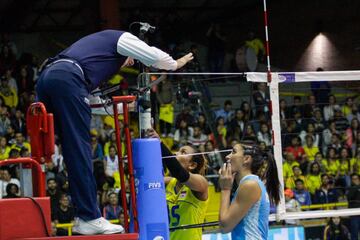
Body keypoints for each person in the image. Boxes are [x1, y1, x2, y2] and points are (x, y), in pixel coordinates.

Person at [35, 29, 193, 235]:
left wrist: (127, 107)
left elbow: (93, 103)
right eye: (132, 60)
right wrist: (175, 64)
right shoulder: (120, 38)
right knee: (79, 148)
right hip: (66, 79)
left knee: (53, 149)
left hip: (47, 79)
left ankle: (68, 212)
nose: (129, 63)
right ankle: (89, 217)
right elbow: (153, 55)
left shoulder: (93, 57)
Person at [146, 128, 209, 240]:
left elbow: (179, 173)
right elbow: (149, 180)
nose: (176, 153)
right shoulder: (170, 182)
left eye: (183, 152)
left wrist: (160, 144)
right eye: (178, 151)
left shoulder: (201, 182)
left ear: (192, 165)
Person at [218, 143, 280, 239]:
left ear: (246, 159)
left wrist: (225, 189)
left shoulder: (250, 185)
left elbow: (224, 227)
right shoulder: (250, 183)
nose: (227, 156)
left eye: (233, 152)